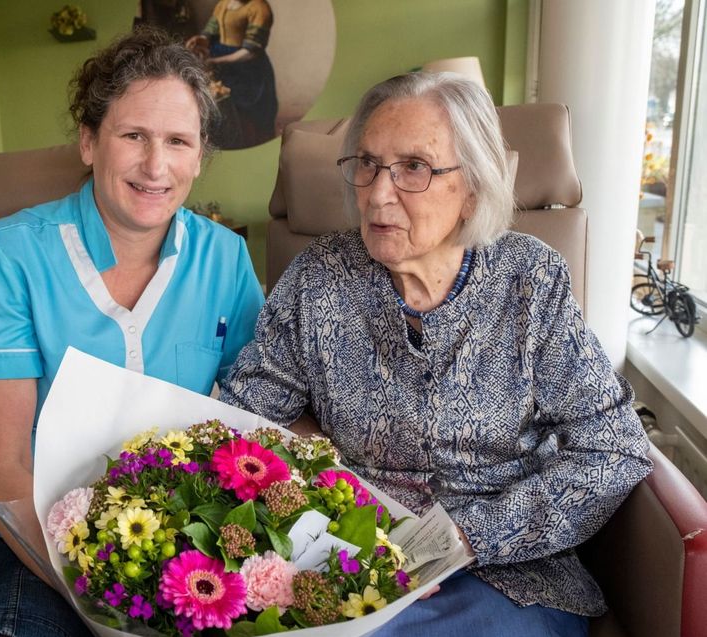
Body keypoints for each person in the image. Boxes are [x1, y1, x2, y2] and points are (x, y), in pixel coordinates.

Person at [0, 28, 264, 637]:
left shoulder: (225, 260)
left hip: (128, 522)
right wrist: (107, 601)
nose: (156, 166)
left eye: (177, 142)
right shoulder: (10, 253)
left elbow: (260, 413)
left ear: (200, 156)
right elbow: (0, 471)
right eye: (133, 135)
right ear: (89, 142)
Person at [219, 72, 652, 636]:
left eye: (414, 168)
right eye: (368, 164)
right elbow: (245, 416)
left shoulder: (530, 280)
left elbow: (615, 449)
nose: (378, 192)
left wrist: (473, 535)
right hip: (350, 559)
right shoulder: (320, 277)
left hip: (507, 572)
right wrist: (319, 489)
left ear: (472, 185)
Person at [186, 0, 278, 149]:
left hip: (248, 70)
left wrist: (216, 61)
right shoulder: (224, 4)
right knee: (222, 111)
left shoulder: (259, 8)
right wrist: (200, 40)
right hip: (221, 66)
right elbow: (210, 32)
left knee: (248, 119)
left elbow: (251, 52)